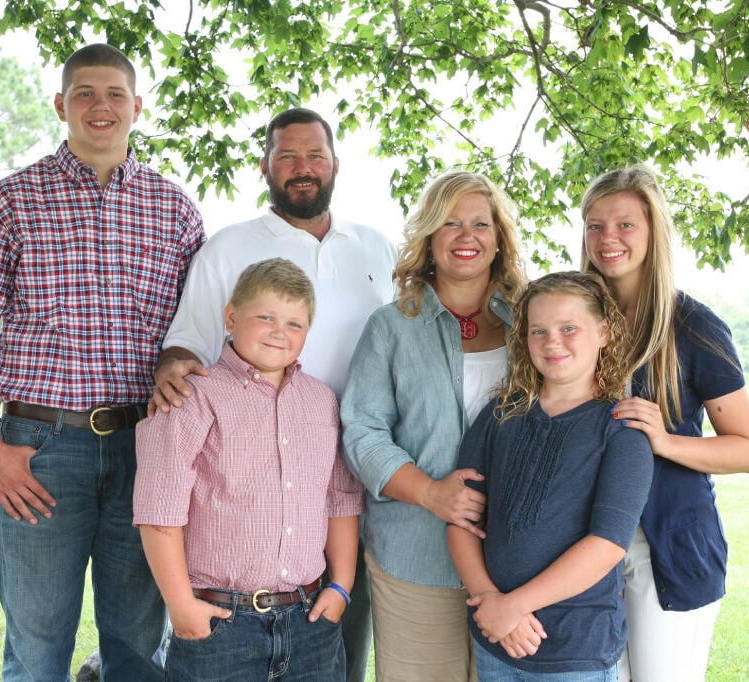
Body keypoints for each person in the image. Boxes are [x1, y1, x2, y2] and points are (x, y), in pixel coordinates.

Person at [0, 44, 206, 680]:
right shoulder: (10, 202)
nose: (98, 106)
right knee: (38, 640)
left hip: (147, 446)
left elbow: (198, 331)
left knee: (137, 641)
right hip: (42, 448)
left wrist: (179, 359)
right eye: (83, 93)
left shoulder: (176, 210)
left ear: (137, 106)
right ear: (61, 105)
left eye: (113, 94)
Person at [152, 107, 395, 682]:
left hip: (349, 471)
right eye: (287, 156)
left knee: (334, 639)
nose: (302, 167)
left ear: (336, 165)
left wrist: (338, 578)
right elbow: (184, 347)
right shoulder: (228, 247)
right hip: (238, 473)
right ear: (266, 166)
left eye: (315, 155)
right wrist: (175, 380)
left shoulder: (376, 248)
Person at [134, 258, 362, 681]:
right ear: (232, 316)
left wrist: (342, 583)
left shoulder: (322, 402)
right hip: (221, 624)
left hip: (310, 620)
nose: (280, 332)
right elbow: (158, 511)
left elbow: (340, 498)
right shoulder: (189, 398)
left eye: (295, 324)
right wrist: (181, 605)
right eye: (266, 317)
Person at [579, 165, 749, 682]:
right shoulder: (576, 320)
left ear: (654, 230)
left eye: (624, 224)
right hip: (586, 544)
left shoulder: (694, 326)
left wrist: (664, 440)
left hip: (669, 547)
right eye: (594, 225)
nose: (607, 238)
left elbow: (748, 450)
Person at [340, 170, 527, 680]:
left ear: (499, 239)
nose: (467, 237)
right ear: (427, 239)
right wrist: (431, 493)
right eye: (450, 223)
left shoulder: (531, 322)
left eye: (480, 224)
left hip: (520, 559)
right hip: (415, 554)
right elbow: (362, 432)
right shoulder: (391, 326)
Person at [448, 271, 654, 681]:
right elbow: (461, 517)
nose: (552, 341)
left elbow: (607, 544)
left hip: (575, 650)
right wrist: (488, 597)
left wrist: (514, 606)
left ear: (604, 332)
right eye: (538, 330)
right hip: (495, 641)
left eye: (569, 328)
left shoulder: (621, 428)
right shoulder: (500, 413)